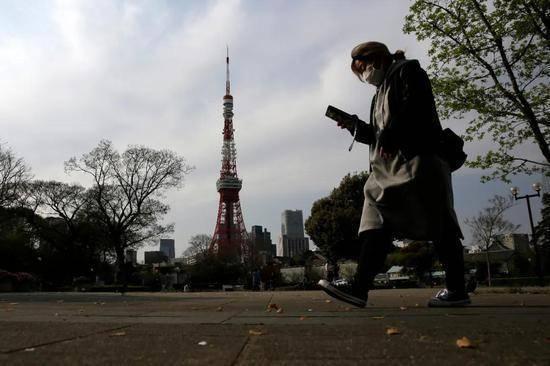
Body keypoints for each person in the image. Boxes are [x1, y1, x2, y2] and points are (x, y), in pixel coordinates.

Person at [318, 41, 470, 308]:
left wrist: (391, 133)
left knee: (440, 223)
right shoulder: (379, 93)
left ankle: (457, 288)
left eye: (363, 67)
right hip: (386, 170)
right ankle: (360, 287)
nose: (364, 74)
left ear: (376, 59)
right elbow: (380, 134)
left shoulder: (407, 71)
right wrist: (356, 127)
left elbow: (416, 108)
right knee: (374, 219)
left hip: (418, 159)